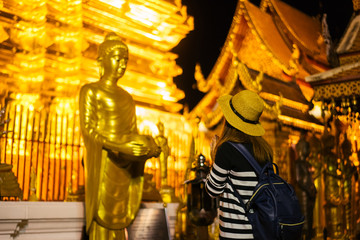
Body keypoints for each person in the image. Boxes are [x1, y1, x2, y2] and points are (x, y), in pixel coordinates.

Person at [79, 32, 160, 240]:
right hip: (104, 161)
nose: (122, 64)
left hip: (123, 166)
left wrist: (149, 148)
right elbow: (88, 131)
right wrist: (117, 146)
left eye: (125, 60)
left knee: (119, 222)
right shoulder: (90, 91)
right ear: (102, 60)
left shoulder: (127, 97)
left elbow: (131, 133)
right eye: (117, 58)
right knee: (100, 222)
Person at [205, 90, 273, 240]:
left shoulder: (227, 149)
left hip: (234, 234)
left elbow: (213, 190)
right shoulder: (265, 150)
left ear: (230, 119)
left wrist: (214, 159)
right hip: (261, 232)